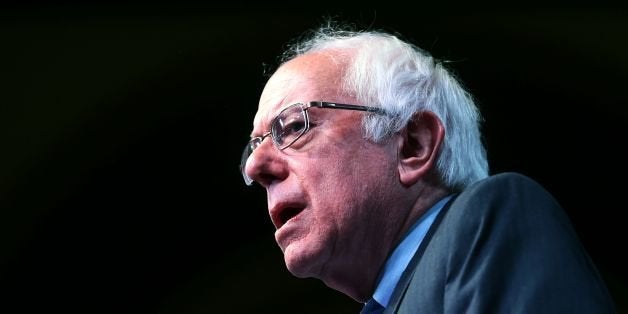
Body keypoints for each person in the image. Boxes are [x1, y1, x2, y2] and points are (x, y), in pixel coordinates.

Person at [239, 22, 616, 313]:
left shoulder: (493, 221)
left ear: (413, 145)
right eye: (254, 145)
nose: (256, 165)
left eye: (292, 127)